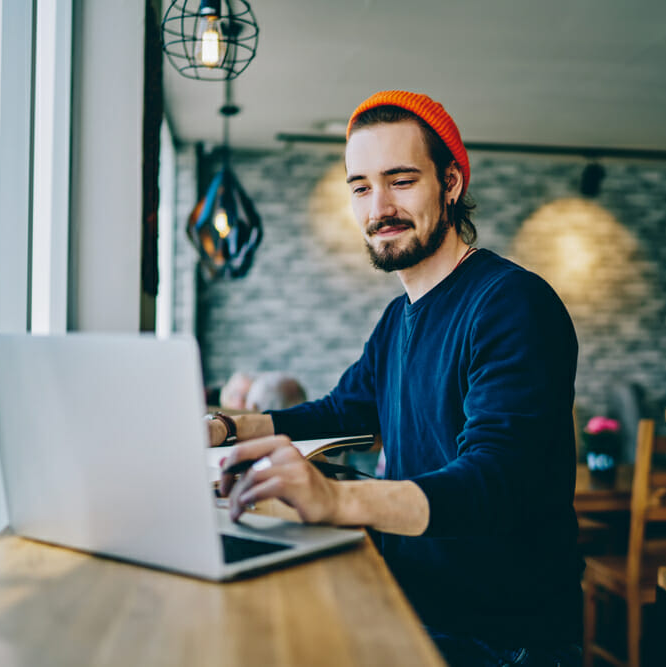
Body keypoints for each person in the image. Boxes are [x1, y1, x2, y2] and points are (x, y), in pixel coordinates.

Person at [205, 90, 581, 666]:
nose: (378, 207)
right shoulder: (397, 317)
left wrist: (337, 498)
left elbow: (496, 482)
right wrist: (224, 427)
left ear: (450, 183)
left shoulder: (511, 304)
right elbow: (341, 411)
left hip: (505, 642)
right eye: (361, 187)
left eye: (400, 180)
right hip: (420, 612)